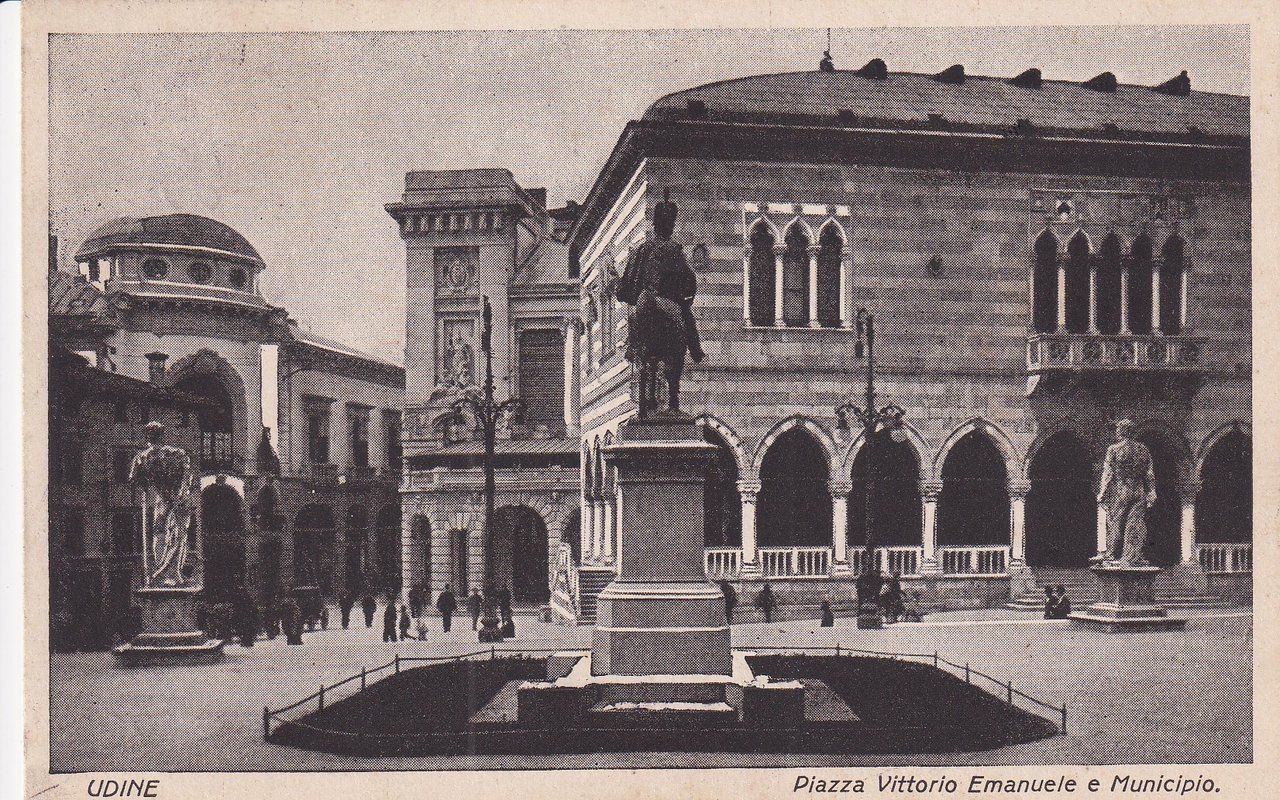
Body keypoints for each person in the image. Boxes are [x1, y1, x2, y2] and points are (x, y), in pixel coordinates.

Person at [1092, 419, 1157, 567]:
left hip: (1122, 489)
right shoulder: (1143, 449)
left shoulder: (1114, 449)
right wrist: (1152, 491)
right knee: (1135, 523)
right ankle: (1132, 557)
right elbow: (1149, 473)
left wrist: (1102, 492)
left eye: (1117, 430)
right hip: (1139, 490)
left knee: (1116, 522)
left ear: (1121, 431)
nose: (1116, 432)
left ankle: (1110, 554)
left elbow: (1107, 473)